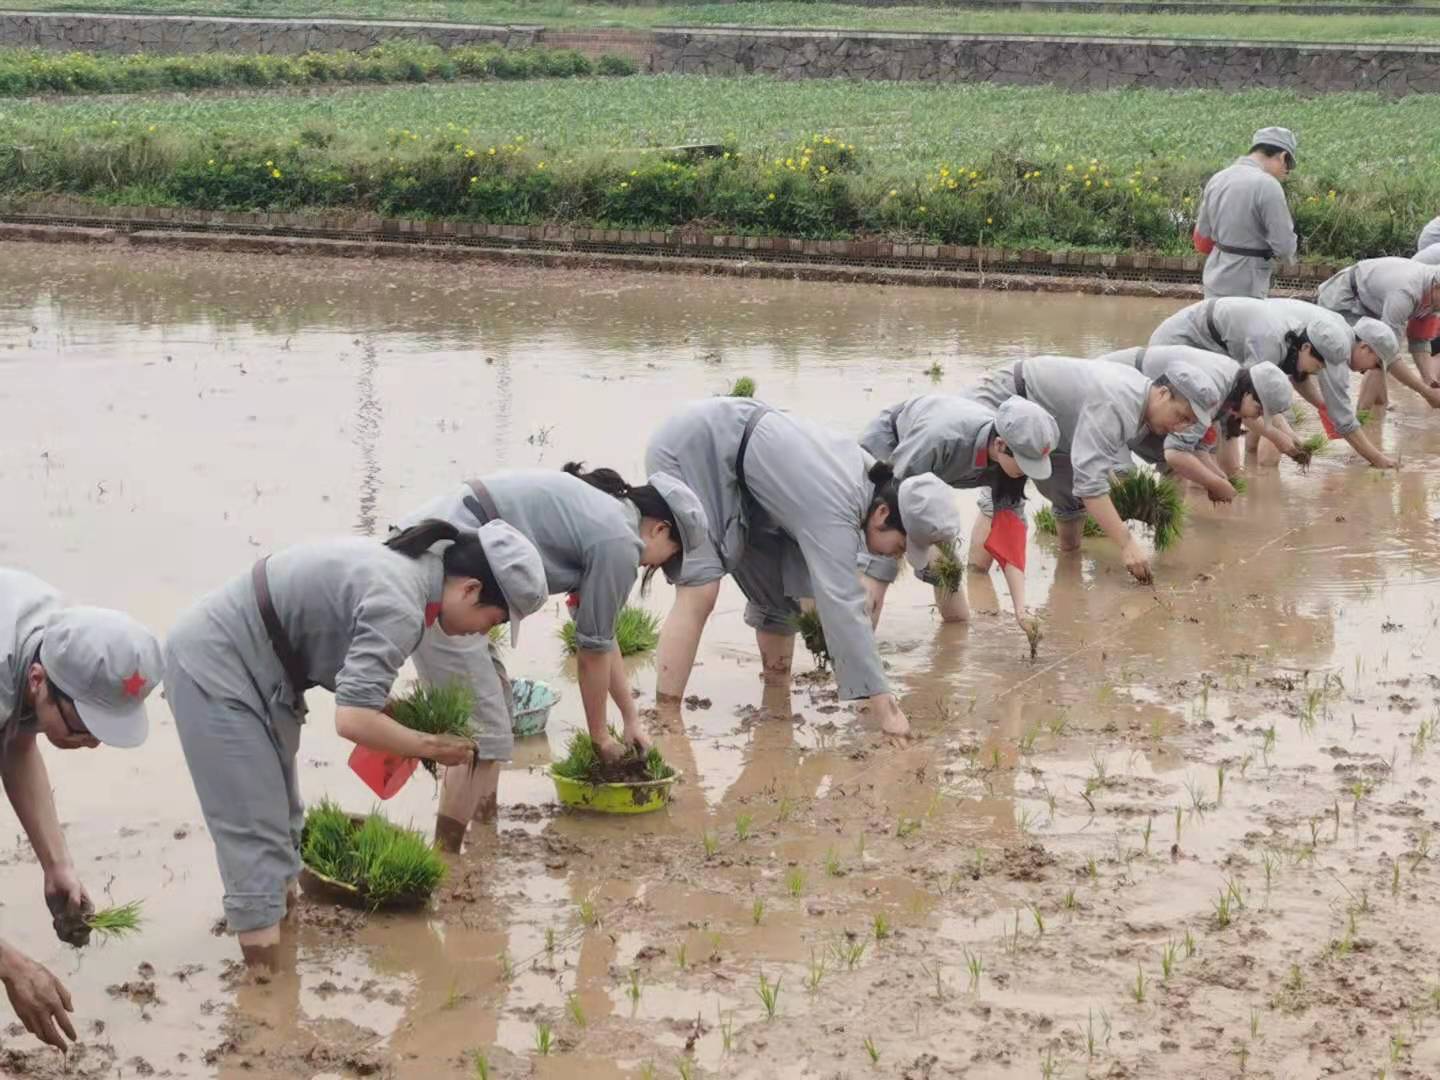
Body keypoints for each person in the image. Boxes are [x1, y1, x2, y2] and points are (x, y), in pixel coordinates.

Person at [164, 521, 546, 972]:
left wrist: (395, 710)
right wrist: (431, 747)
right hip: (217, 666)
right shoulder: (403, 602)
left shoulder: (415, 579)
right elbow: (351, 720)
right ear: (471, 589)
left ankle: (278, 960)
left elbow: (354, 678)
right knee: (253, 833)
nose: (482, 634)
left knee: (284, 822)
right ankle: (267, 998)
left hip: (268, 670)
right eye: (494, 620)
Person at [397, 466, 708, 851]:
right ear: (659, 529)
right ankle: (449, 860)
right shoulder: (618, 540)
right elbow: (591, 654)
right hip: (444, 576)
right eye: (670, 554)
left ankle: (482, 838)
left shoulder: (604, 516)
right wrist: (600, 739)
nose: (654, 566)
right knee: (483, 730)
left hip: (438, 550)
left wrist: (629, 719)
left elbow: (601, 635)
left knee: (494, 708)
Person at [645, 397, 961, 739]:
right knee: (701, 586)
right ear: (883, 514)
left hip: (747, 478)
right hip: (697, 451)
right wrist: (886, 709)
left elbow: (825, 594)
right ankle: (665, 717)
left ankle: (776, 699)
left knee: (779, 599)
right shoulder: (839, 503)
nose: (892, 557)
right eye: (899, 547)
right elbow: (843, 603)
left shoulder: (871, 485)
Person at [1, 568, 163, 1049]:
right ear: (38, 680)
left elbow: (16, 742)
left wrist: (57, 865)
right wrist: (11, 965)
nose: (91, 746)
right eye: (81, 729)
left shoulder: (55, 637)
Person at [962, 355, 1219, 585]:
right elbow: (1090, 485)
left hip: (1055, 427)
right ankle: (977, 586)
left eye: (1190, 423)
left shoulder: (1140, 399)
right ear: (1163, 393)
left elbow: (1091, 470)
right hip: (1008, 402)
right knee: (1002, 498)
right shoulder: (1119, 401)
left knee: (1069, 497)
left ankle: (1067, 573)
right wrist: (1127, 543)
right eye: (1182, 416)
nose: (1182, 427)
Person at [857, 395, 1060, 637]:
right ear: (999, 445)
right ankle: (858, 650)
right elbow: (896, 498)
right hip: (892, 456)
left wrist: (1020, 610)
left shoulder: (1010, 465)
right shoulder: (941, 439)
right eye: (1024, 464)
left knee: (950, 582)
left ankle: (951, 644)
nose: (1027, 473)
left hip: (928, 481)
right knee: (882, 561)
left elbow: (1010, 536)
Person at [1149, 298, 1400, 468]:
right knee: (1200, 424)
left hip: (1214, 347)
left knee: (1226, 418)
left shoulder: (1309, 342)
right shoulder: (1274, 343)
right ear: (1306, 348)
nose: (1368, 371)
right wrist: (1283, 438)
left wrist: (1290, 433)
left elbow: (1294, 380)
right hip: (1181, 344)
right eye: (1376, 363)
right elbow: (1251, 403)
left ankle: (1235, 479)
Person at [1097, 346, 1295, 489]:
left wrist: (1220, 478)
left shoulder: (1232, 383)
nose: (1254, 418)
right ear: (1249, 393)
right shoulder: (1211, 393)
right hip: (1110, 387)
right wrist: (1216, 484)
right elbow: (1176, 453)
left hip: (1143, 400)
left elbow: (1197, 450)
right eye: (1258, 411)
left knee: (1175, 469)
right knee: (1123, 474)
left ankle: (1167, 525)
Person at [1192, 126, 1299, 299]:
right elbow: (1284, 246)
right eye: (1289, 166)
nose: (1286, 173)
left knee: (1213, 324)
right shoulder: (1268, 185)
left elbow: (1202, 235)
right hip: (1248, 285)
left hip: (1214, 279)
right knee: (1243, 326)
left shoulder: (1218, 178)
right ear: (1283, 156)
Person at [1316, 256, 1440, 406]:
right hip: (1345, 299)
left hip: (1371, 305)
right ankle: (1362, 416)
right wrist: (1425, 392)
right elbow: (1388, 356)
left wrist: (1431, 382)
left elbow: (1419, 341)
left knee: (1378, 353)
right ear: (1436, 287)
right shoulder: (1404, 294)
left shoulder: (1434, 298)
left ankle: (1377, 409)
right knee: (1375, 354)